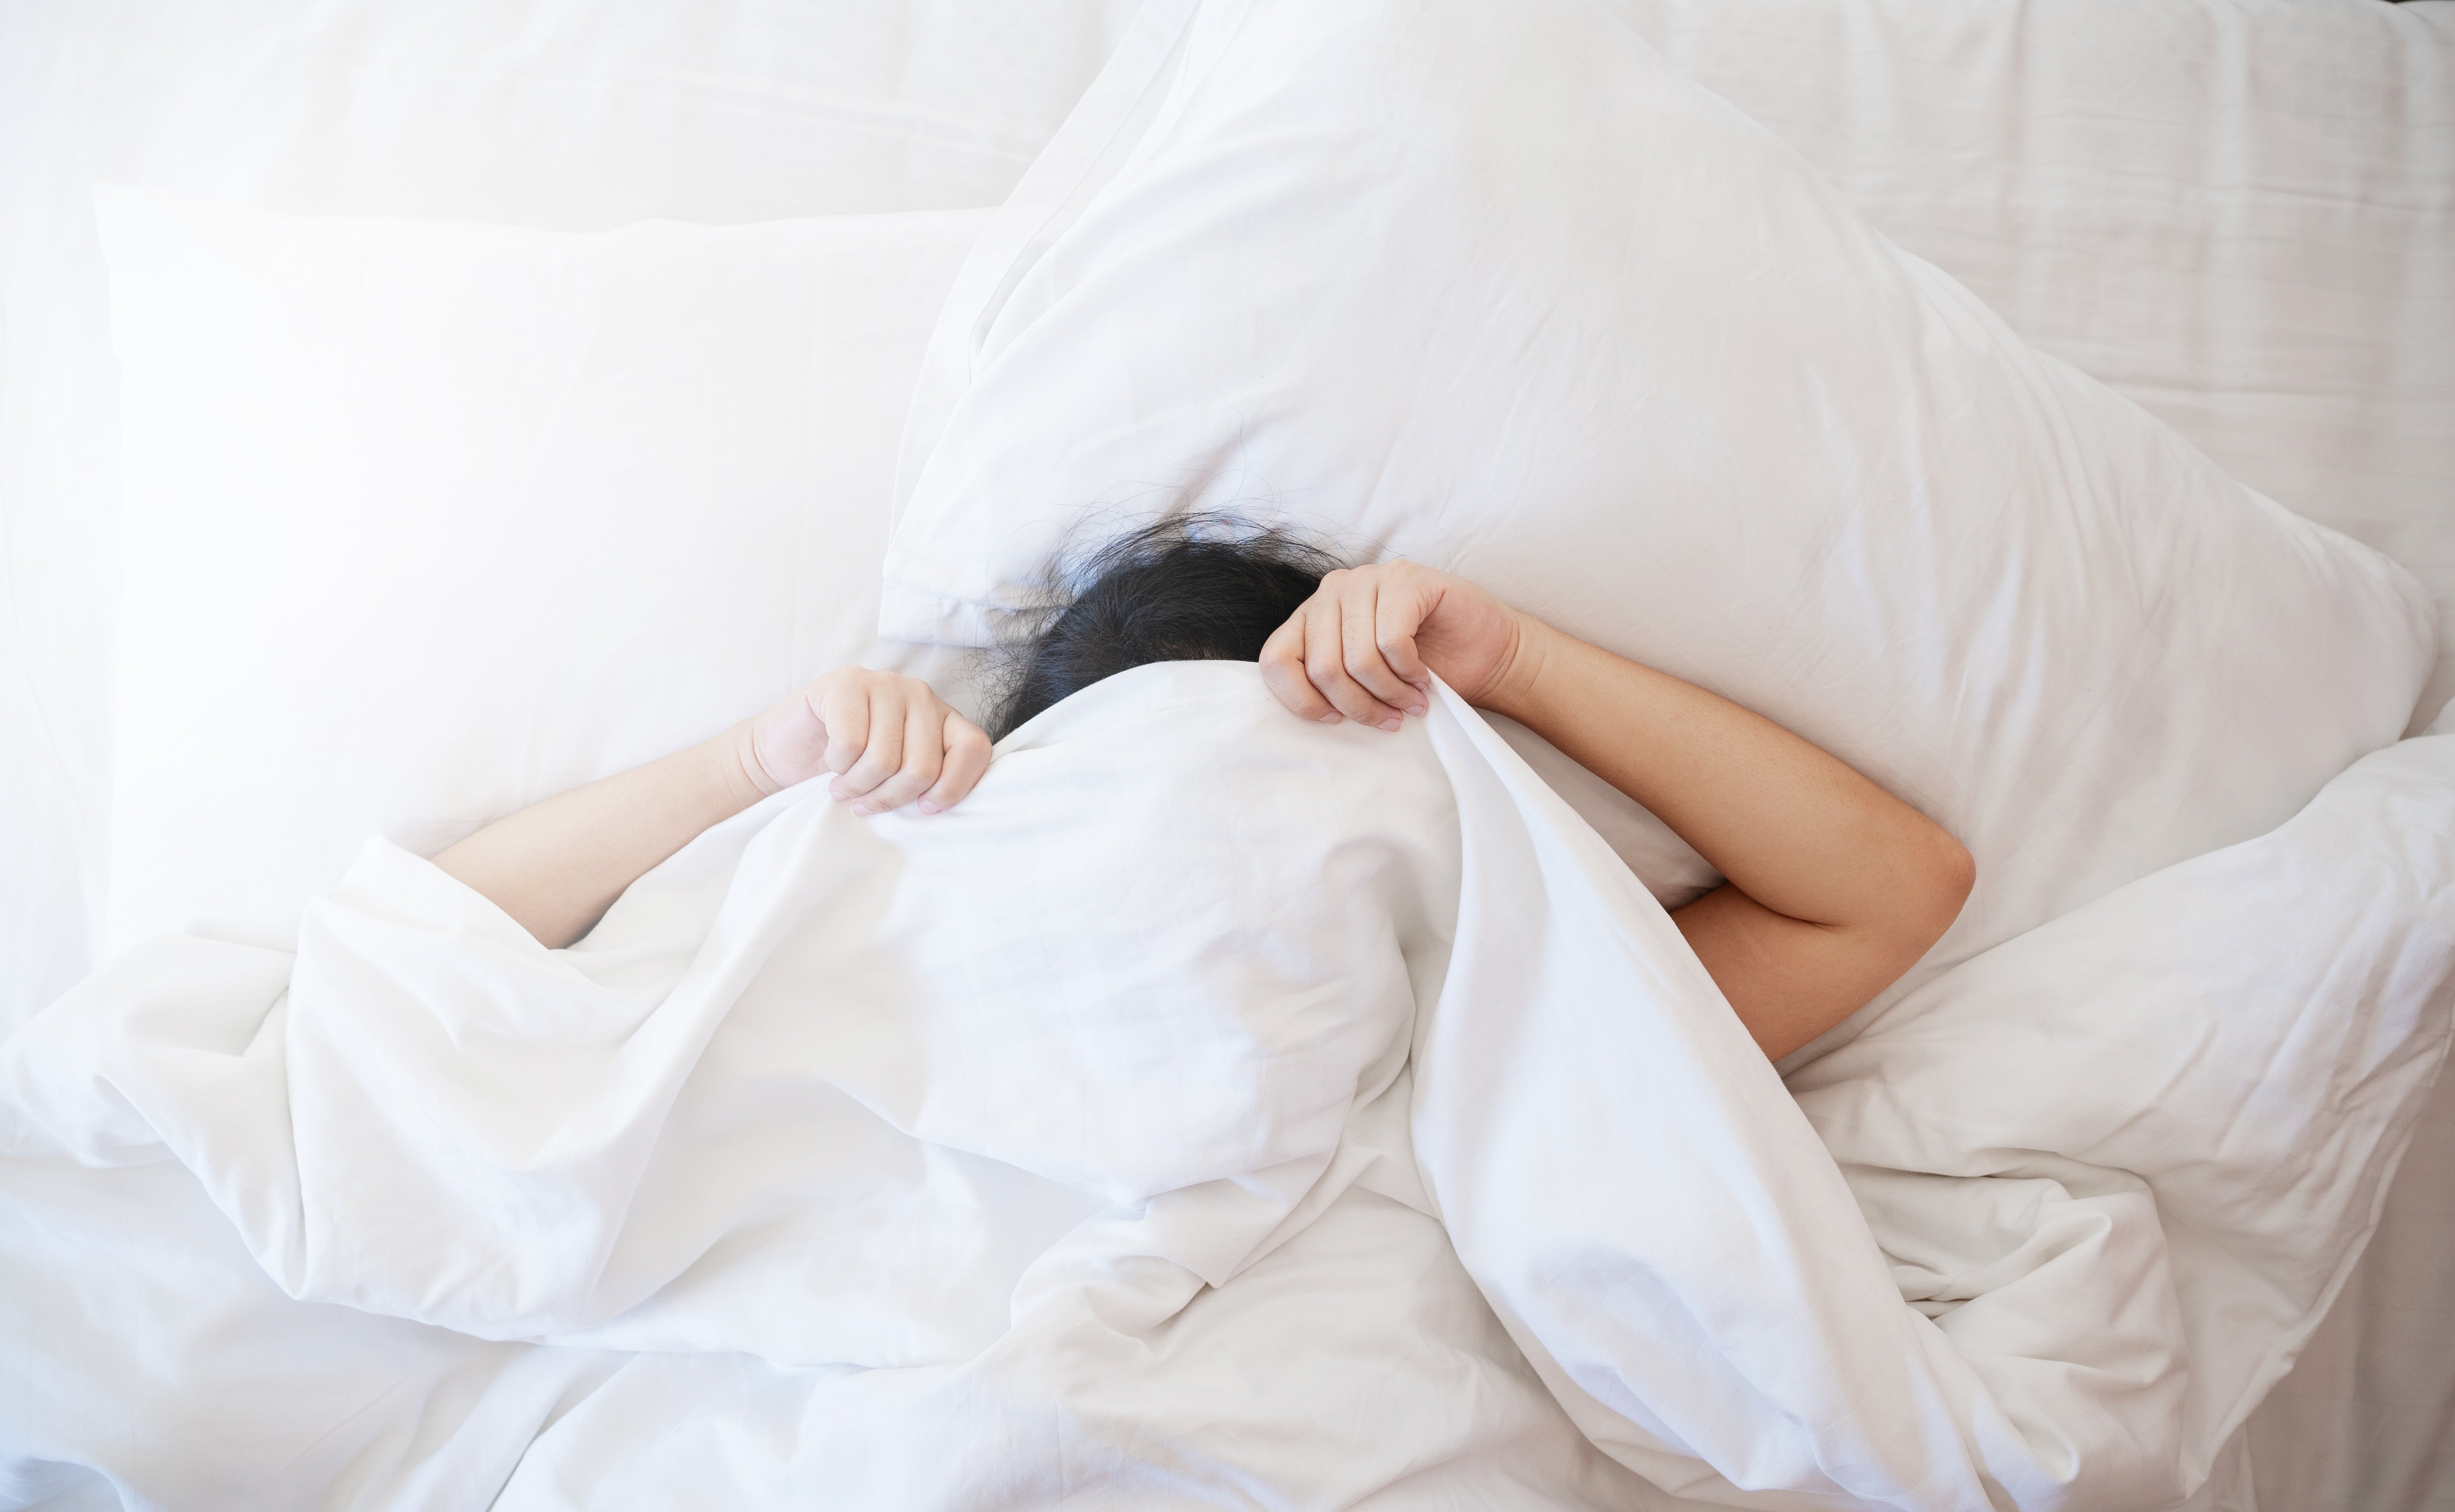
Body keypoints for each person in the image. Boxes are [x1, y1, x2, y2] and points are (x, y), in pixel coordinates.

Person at [433, 518, 1972, 1062]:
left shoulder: (1473, 1042)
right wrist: (756, 768)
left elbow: (1892, 891)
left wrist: (1515, 661)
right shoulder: (876, 935)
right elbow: (429, 966)